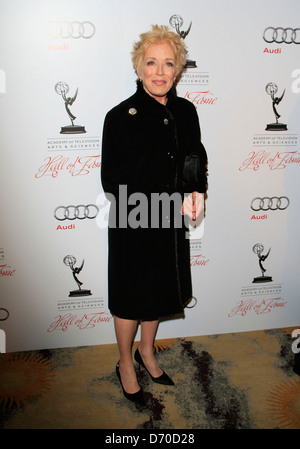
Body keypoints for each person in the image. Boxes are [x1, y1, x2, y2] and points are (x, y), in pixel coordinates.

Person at [101, 25, 207, 406]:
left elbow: (195, 158)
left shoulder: (187, 111)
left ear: (178, 69)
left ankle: (147, 352)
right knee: (132, 297)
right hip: (134, 224)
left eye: (168, 63)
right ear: (139, 67)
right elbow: (112, 181)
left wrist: (197, 193)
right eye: (151, 62)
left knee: (159, 292)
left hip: (168, 225)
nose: (160, 71)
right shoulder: (119, 117)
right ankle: (125, 362)